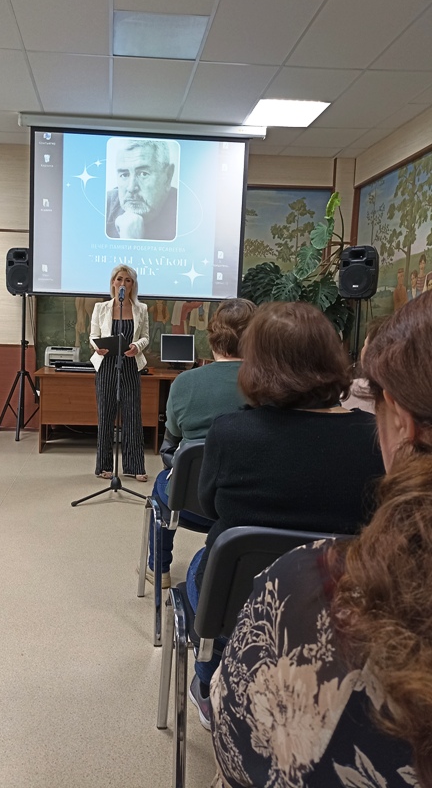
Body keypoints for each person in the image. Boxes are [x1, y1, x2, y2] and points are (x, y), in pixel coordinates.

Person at [210, 291, 432, 788]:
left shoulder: (298, 586)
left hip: (231, 590)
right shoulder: (360, 441)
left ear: (400, 421)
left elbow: (237, 747)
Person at [186, 301, 385, 728]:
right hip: (341, 610)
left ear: (254, 364)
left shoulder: (230, 432)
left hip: (240, 604)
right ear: (332, 359)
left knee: (204, 563)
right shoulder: (373, 437)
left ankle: (209, 682)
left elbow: (209, 507)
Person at [145, 298, 257, 588]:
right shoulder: (272, 385)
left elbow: (170, 444)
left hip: (191, 503)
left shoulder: (184, 383)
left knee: (162, 484)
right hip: (253, 506)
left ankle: (159, 569)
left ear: (212, 337)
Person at [90, 266, 149, 481]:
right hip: (107, 364)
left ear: (133, 285)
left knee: (132, 415)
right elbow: (93, 335)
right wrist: (97, 347)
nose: (123, 283)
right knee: (106, 415)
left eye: (128, 280)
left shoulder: (141, 309)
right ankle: (104, 466)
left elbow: (145, 336)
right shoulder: (101, 308)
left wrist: (136, 346)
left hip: (130, 364)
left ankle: (135, 467)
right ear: (113, 282)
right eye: (119, 279)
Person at [105, 139, 178, 241]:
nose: (131, 188)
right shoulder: (106, 204)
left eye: (143, 174)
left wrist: (130, 240)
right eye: (124, 175)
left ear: (168, 177)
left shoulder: (185, 211)